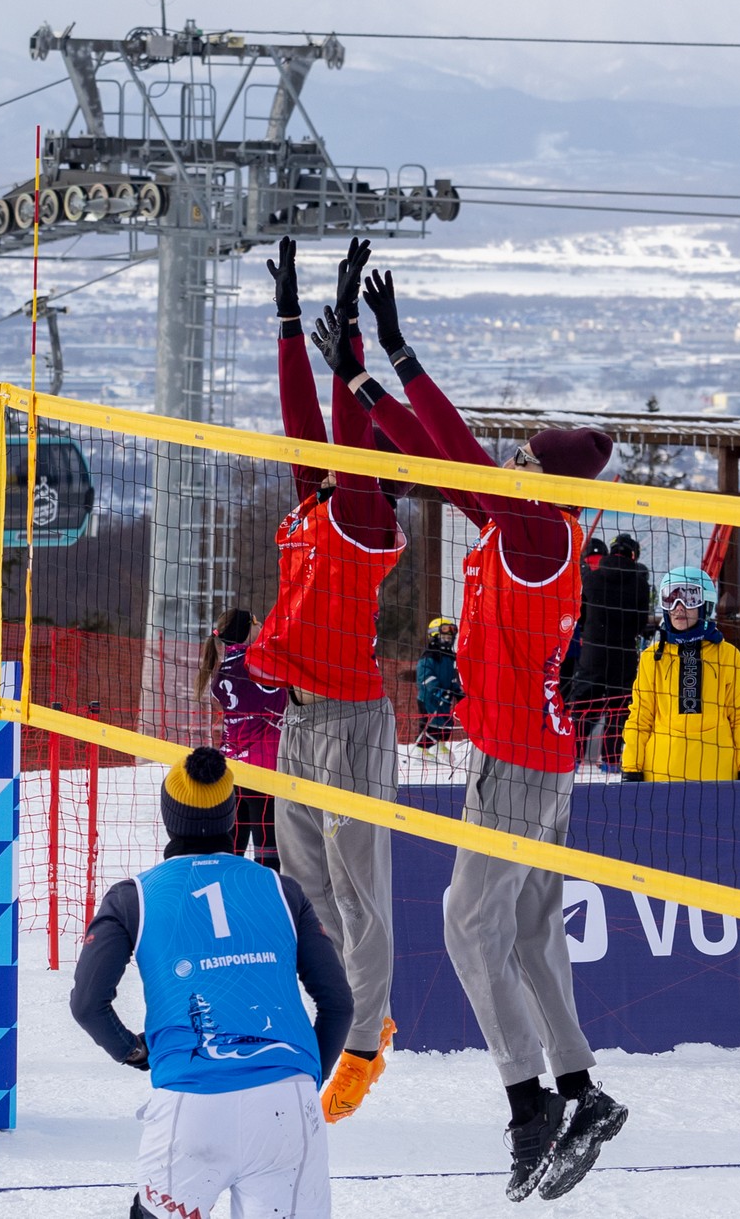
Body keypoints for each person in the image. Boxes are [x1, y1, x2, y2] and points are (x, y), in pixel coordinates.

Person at [320, 263, 628, 1201]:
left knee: (464, 925)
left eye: (534, 461)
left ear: (556, 480)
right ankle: (579, 1088)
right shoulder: (509, 526)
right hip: (529, 759)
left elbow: (453, 451)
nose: (519, 467)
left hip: (523, 767)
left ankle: (527, 1100)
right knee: (530, 934)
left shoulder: (541, 534)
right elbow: (429, 458)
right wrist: (366, 382)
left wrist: (398, 358)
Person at [243, 237, 405, 1123]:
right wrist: (287, 323)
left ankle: (365, 1039)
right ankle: (337, 1015)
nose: (336, 460)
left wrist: (353, 358)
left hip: (352, 722)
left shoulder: (366, 515)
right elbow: (302, 427)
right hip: (300, 718)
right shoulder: (316, 505)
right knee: (305, 892)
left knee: (360, 892)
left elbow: (342, 437)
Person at [69, 746, 353, 1219]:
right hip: (287, 1106)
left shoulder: (132, 897)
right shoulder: (282, 890)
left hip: (191, 1103)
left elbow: (87, 1004)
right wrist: (303, 1077)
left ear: (167, 817)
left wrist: (133, 1050)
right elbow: (339, 1005)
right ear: (232, 816)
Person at [621, 567, 740, 783]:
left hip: (718, 777)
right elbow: (640, 718)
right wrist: (631, 768)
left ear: (705, 605)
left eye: (689, 598)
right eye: (670, 599)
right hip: (661, 777)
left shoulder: (727, 655)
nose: (678, 608)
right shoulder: (652, 658)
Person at [201, 608, 286, 870]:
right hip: (263, 772)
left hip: (233, 769)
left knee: (233, 846)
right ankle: (267, 900)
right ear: (248, 629)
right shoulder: (256, 663)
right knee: (268, 848)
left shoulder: (221, 669)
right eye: (258, 623)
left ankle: (225, 897)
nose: (261, 628)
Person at [563, 534, 650, 770]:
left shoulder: (593, 577)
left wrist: (590, 631)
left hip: (593, 650)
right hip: (623, 651)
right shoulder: (640, 582)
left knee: (584, 703)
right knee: (619, 706)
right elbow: (641, 621)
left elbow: (579, 611)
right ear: (633, 554)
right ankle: (611, 759)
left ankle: (576, 755)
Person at [415, 616, 465, 749]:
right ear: (435, 638)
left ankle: (440, 746)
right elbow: (424, 678)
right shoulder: (429, 658)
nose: (448, 641)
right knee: (432, 723)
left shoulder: (448, 659)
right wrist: (438, 691)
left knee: (446, 724)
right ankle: (423, 750)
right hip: (429, 698)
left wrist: (458, 691)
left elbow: (451, 678)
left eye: (450, 638)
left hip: (445, 699)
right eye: (444, 638)